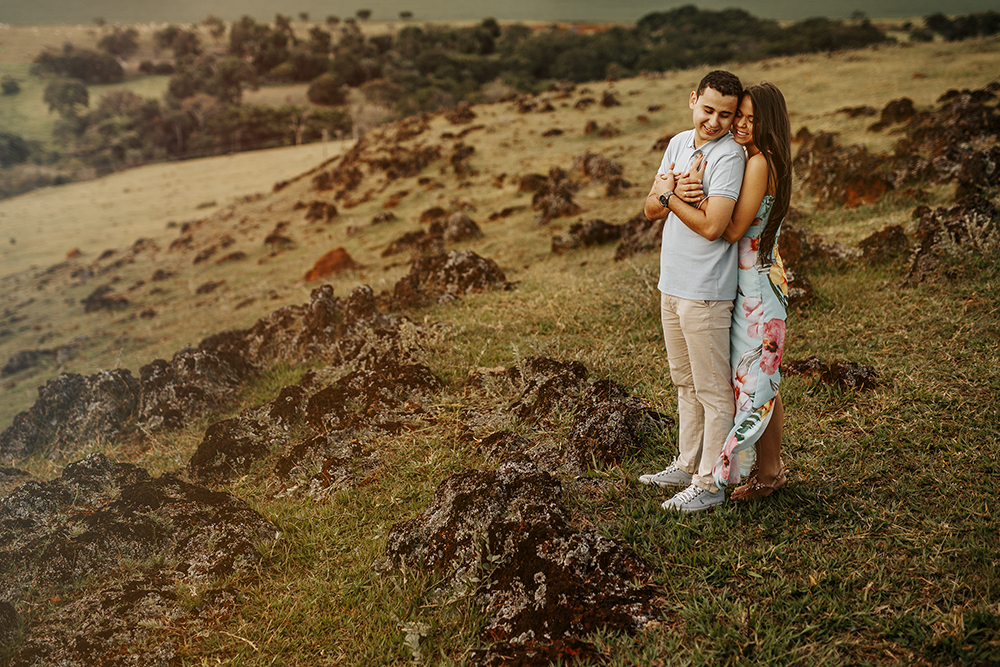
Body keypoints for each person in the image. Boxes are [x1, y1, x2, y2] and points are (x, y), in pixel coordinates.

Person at [676, 82, 793, 501]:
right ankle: (768, 470)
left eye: (751, 119)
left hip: (757, 286)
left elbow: (730, 230)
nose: (741, 124)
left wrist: (684, 197)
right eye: (738, 115)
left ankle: (769, 474)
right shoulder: (759, 157)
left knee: (759, 383)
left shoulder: (759, 162)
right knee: (762, 380)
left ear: (768, 122)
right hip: (756, 277)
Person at [638, 70, 746, 513]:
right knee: (685, 382)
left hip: (706, 290)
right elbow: (648, 208)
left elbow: (714, 227)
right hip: (672, 283)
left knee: (714, 391)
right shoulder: (678, 143)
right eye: (708, 109)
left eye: (726, 114)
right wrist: (666, 195)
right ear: (692, 100)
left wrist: (671, 198)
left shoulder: (731, 155)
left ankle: (711, 483)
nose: (715, 121)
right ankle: (687, 465)